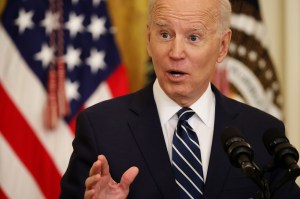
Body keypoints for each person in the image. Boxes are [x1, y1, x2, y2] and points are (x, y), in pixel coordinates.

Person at [60, 0, 300, 198]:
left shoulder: (261, 132)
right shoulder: (101, 127)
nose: (175, 53)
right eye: (165, 34)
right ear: (148, 39)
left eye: (193, 38)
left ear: (223, 45)